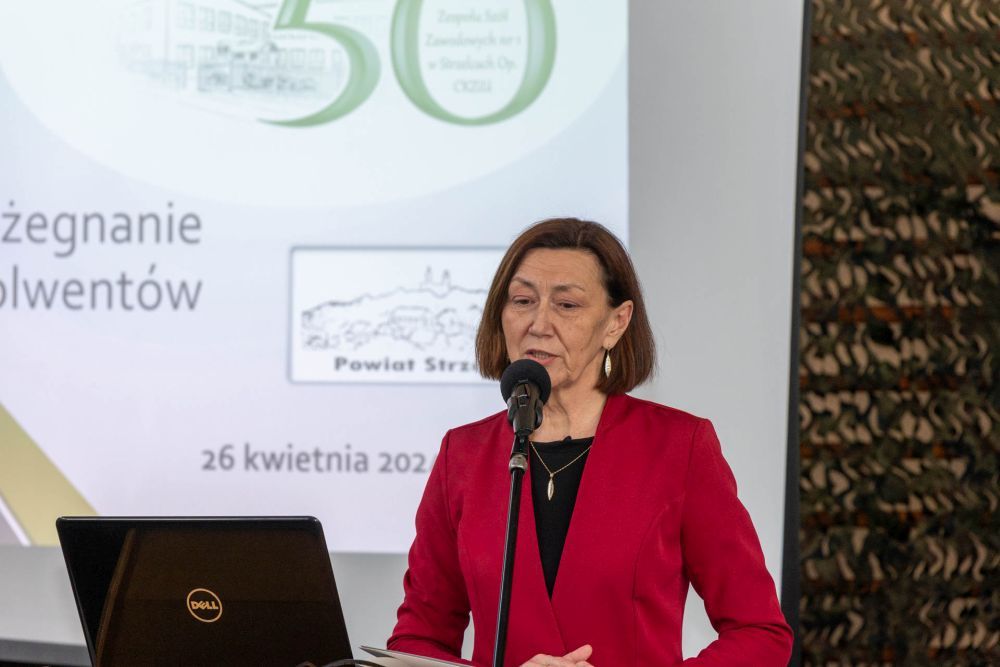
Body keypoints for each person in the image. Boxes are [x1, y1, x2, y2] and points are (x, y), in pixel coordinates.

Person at [388, 218, 793, 666]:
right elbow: (416, 641)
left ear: (616, 323)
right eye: (522, 300)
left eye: (566, 305)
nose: (539, 324)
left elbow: (760, 633)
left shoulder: (679, 448)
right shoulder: (462, 456)